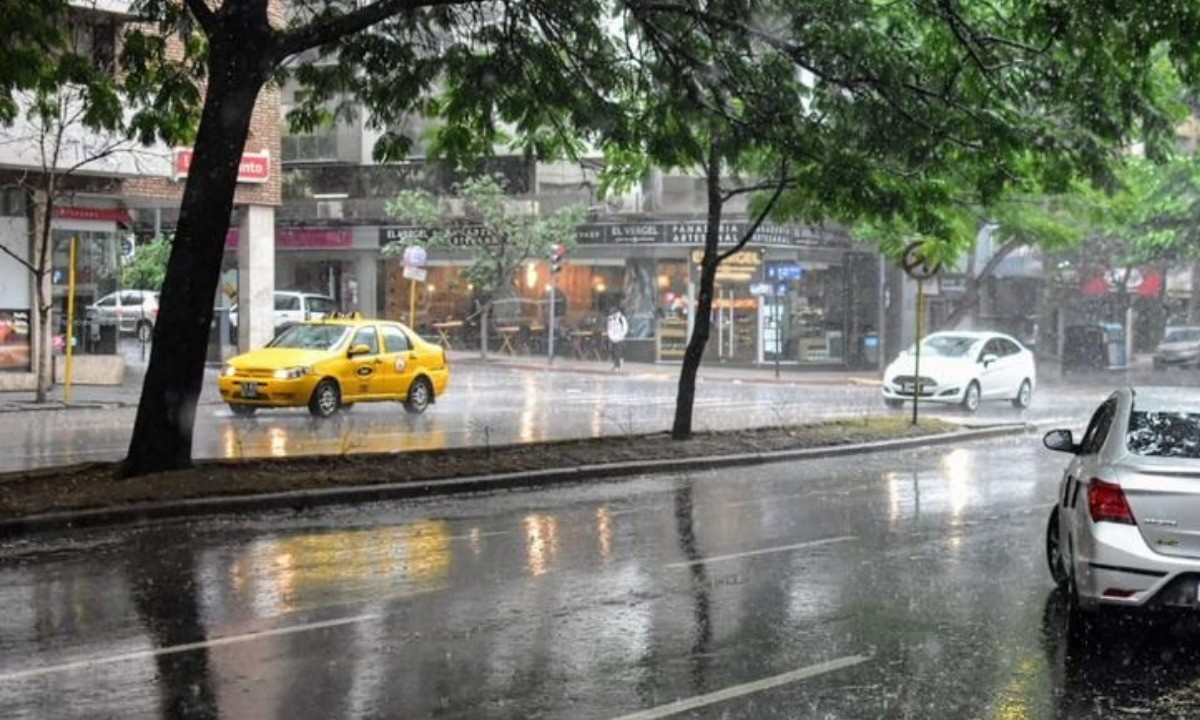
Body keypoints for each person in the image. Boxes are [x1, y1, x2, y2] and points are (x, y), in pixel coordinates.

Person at [606, 306, 629, 370]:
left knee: (617, 352)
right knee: (613, 352)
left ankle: (617, 366)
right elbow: (609, 327)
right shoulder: (610, 319)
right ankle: (615, 364)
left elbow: (625, 327)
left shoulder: (621, 318)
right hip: (613, 338)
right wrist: (610, 335)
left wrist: (622, 335)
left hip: (619, 338)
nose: (612, 315)